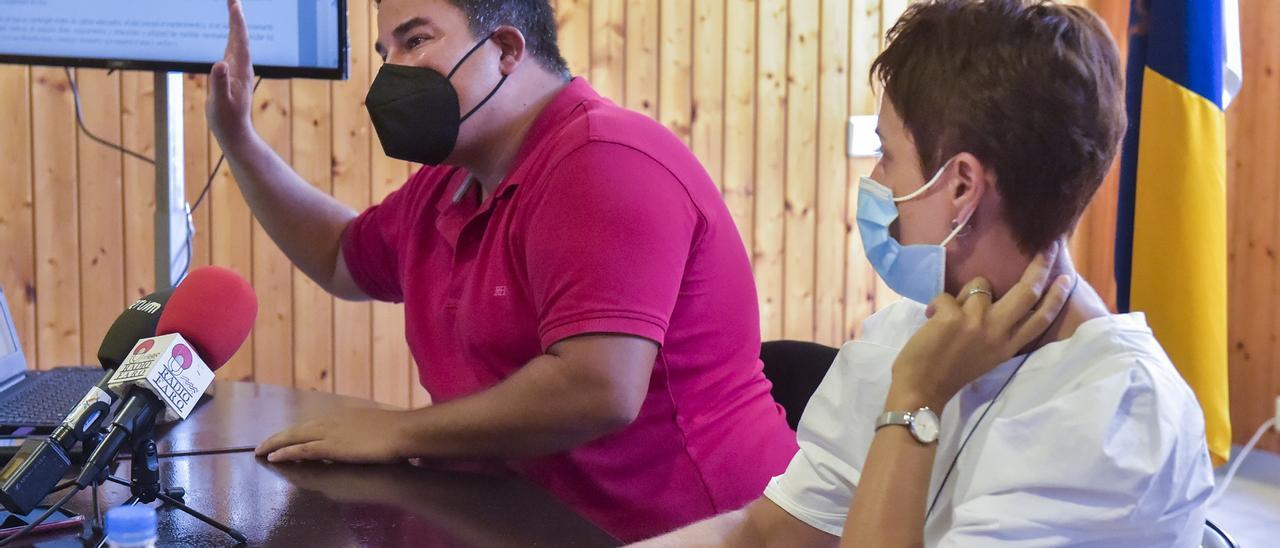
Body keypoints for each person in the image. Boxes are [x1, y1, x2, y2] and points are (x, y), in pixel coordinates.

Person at [204, 0, 797, 541]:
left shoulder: (605, 160)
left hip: (686, 530)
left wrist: (398, 432)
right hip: (519, 520)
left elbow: (597, 389)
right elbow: (340, 257)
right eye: (386, 53)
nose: (392, 73)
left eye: (416, 42)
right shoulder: (450, 182)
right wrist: (239, 139)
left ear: (507, 51)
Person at [634, 1, 1214, 546]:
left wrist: (914, 401)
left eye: (887, 155)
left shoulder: (1119, 419)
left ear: (961, 186)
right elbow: (765, 534)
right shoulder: (912, 329)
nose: (878, 183)